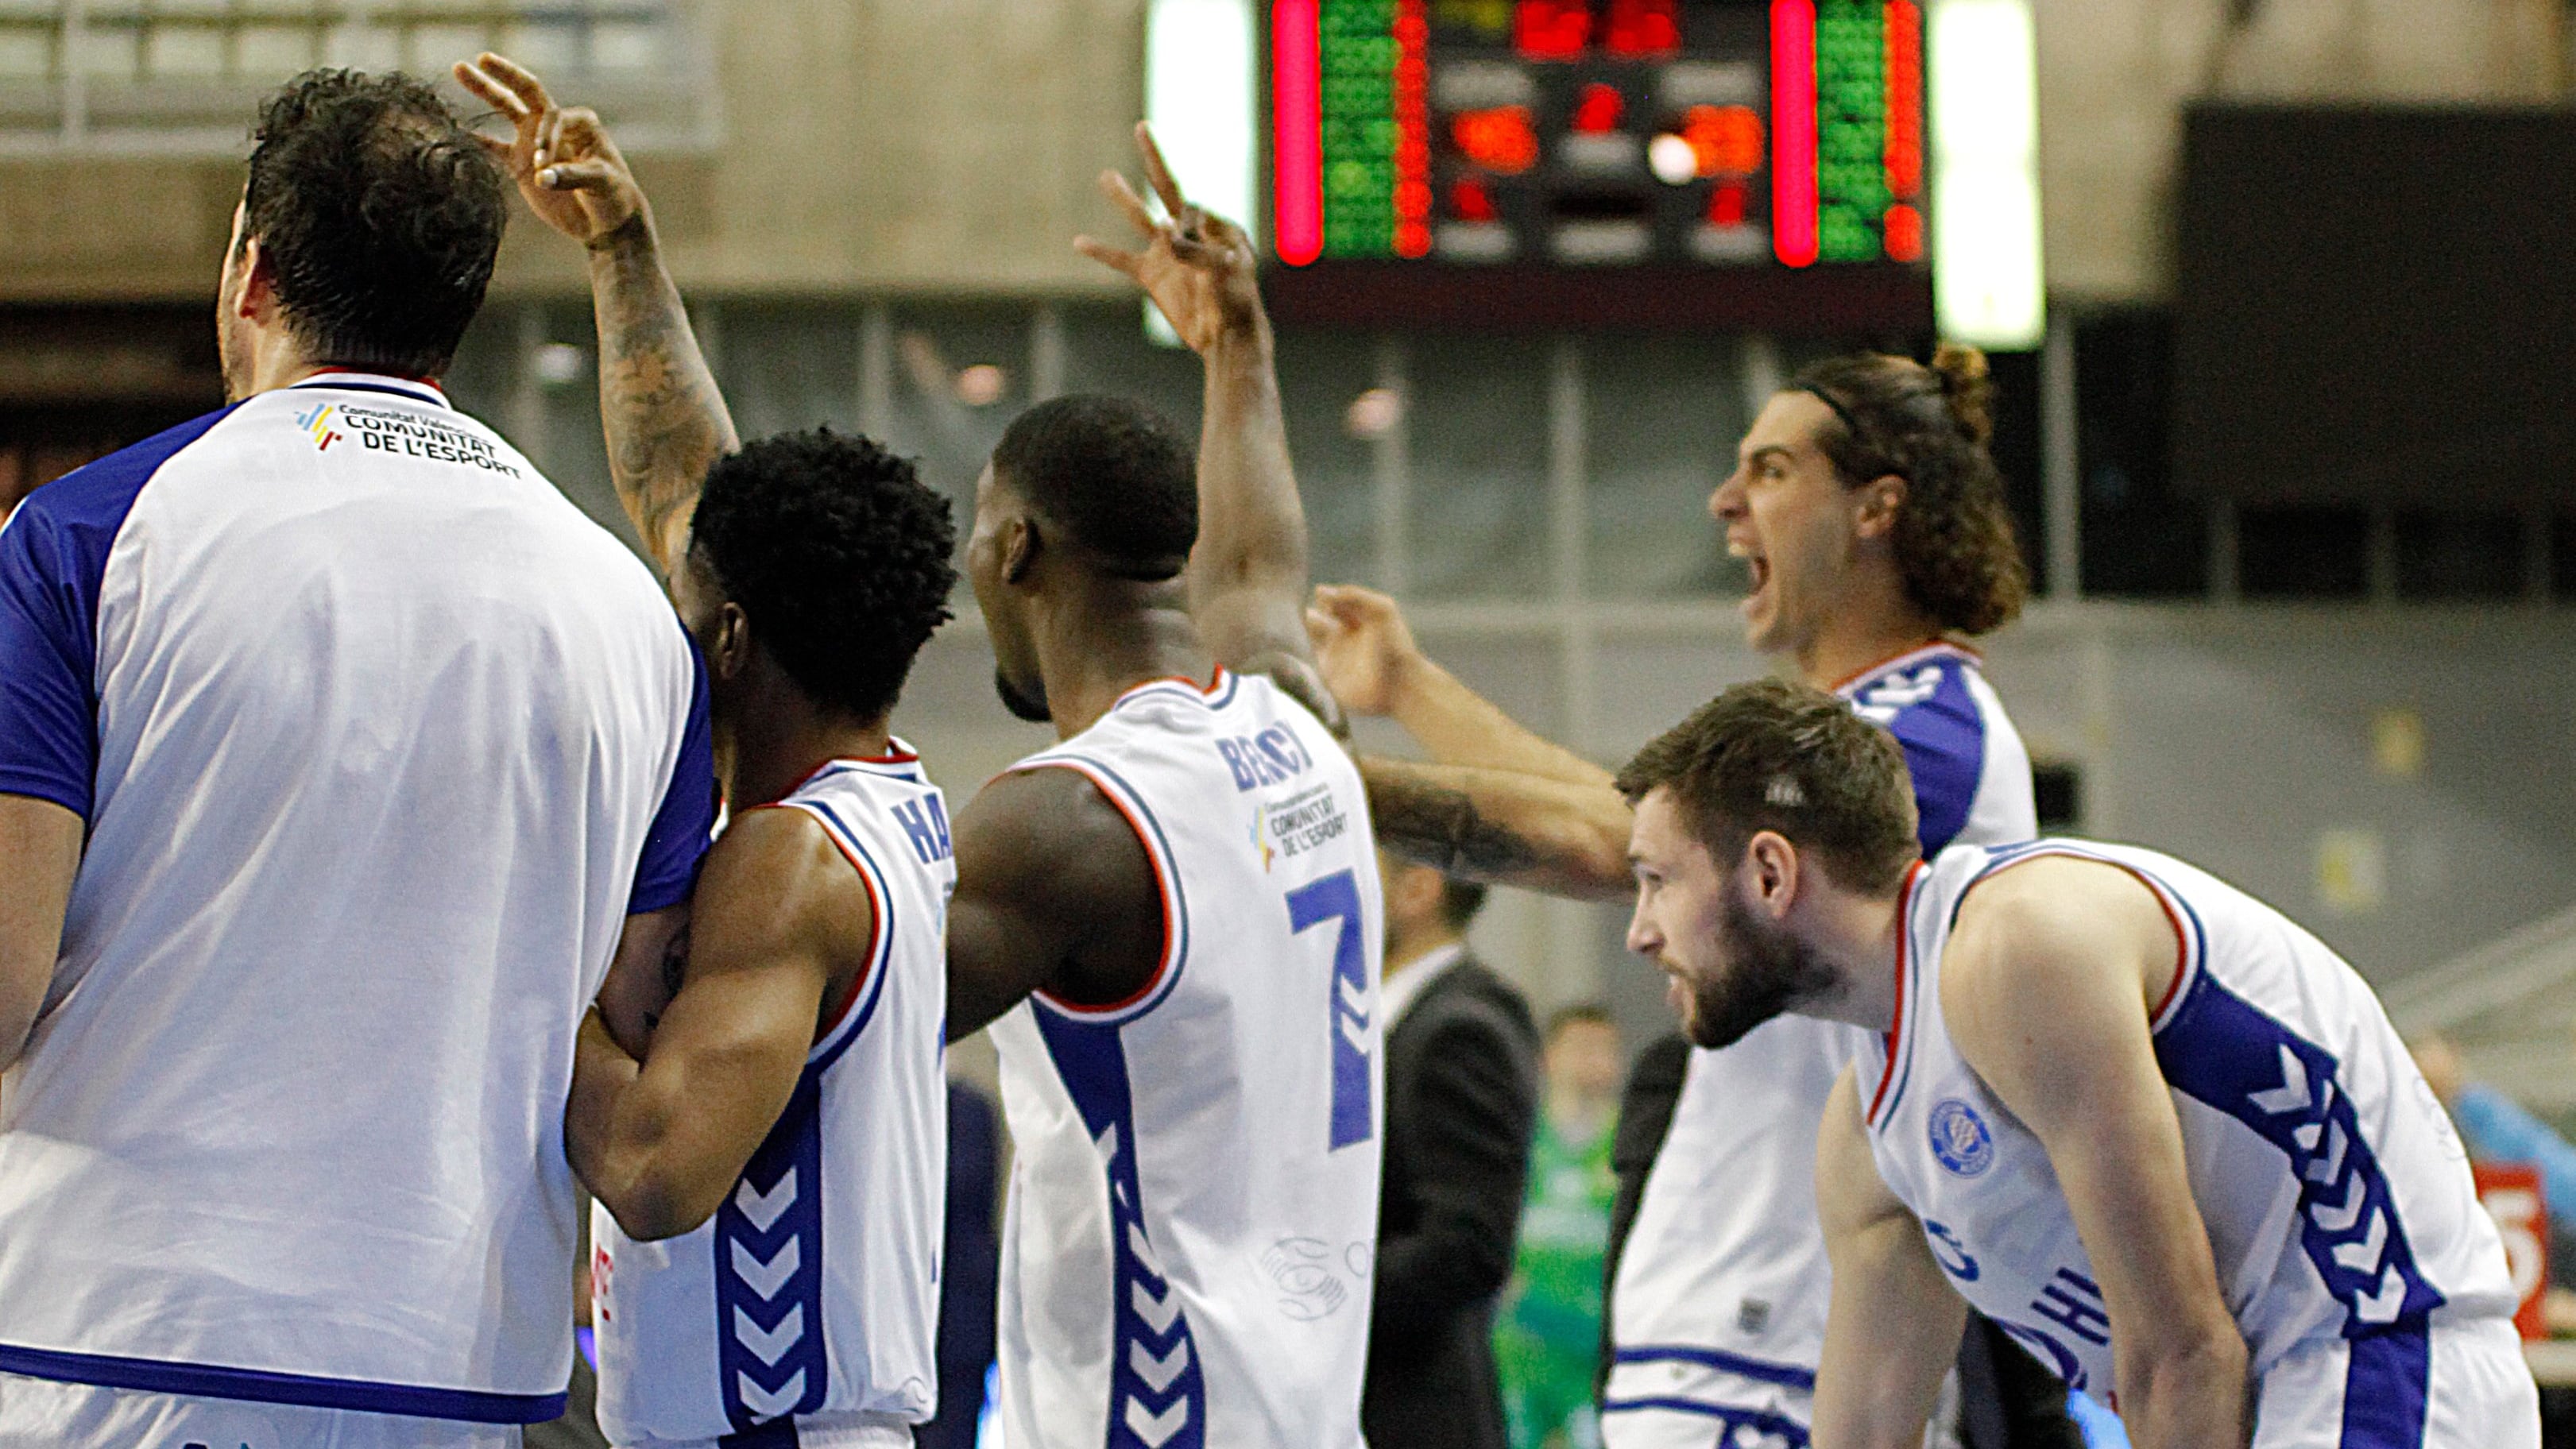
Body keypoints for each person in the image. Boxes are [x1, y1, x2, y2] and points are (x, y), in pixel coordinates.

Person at [0, 68, 714, 1447]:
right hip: (459, 1363)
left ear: (249, 269)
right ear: (455, 307)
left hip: (117, 1352)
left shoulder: (84, 540)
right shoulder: (628, 611)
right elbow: (636, 1008)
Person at [1309, 346, 2060, 1448]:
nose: (1723, 500)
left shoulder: (1928, 731)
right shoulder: (1868, 724)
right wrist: (1409, 691)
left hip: (1785, 1336)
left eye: (1767, 470)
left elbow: (1602, 841)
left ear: (1874, 509)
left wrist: (1310, 782)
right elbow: (1633, 821)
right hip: (1735, 1330)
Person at [1619, 678, 2538, 1448]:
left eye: (1657, 879)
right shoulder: (1863, 1136)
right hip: (2270, 1394)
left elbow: (2182, 1354)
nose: (1639, 932)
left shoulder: (2019, 946)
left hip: (2376, 1358)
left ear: (1770, 875)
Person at [458, 56, 961, 1448]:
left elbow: (657, 1167)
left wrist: (518, 950)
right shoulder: (881, 790)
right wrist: (624, 251)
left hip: (772, 1428)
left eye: (691, 611)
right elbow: (692, 495)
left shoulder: (786, 859)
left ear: (731, 639)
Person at [939, 129, 1385, 1447]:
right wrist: (1234, 347)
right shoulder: (1293, 723)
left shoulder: (1064, 819)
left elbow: (820, 1023)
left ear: (1012, 547)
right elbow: (1252, 566)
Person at [1367, 856, 1541, 1449]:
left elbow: (1467, 1246)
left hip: (1415, 1413)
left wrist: (1309, 1300)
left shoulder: (1461, 1024)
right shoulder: (1388, 1017)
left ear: (1417, 889)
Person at [1498, 1007, 1626, 1449]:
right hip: (1520, 1349)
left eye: (1604, 1050)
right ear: (1549, 1058)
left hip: (1590, 1351)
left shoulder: (1626, 1145)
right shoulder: (1520, 1138)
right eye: (1581, 1049)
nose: (1593, 1062)